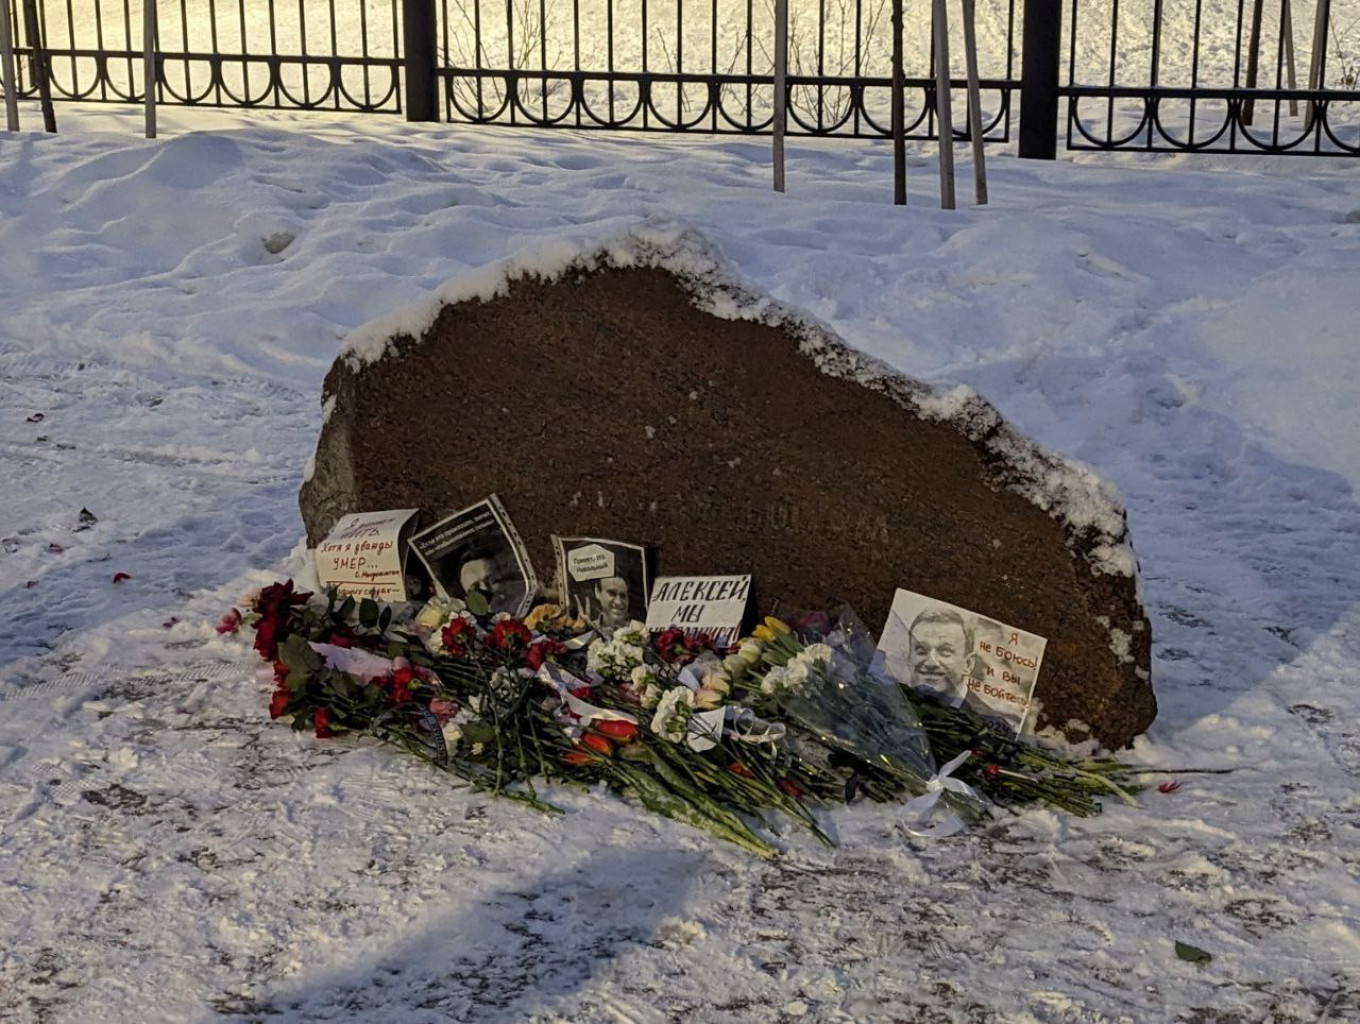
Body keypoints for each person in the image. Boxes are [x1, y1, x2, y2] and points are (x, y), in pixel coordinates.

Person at [906, 607, 975, 693]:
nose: (931, 663)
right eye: (921, 651)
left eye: (945, 651)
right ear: (908, 657)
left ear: (968, 664)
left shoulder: (980, 706)